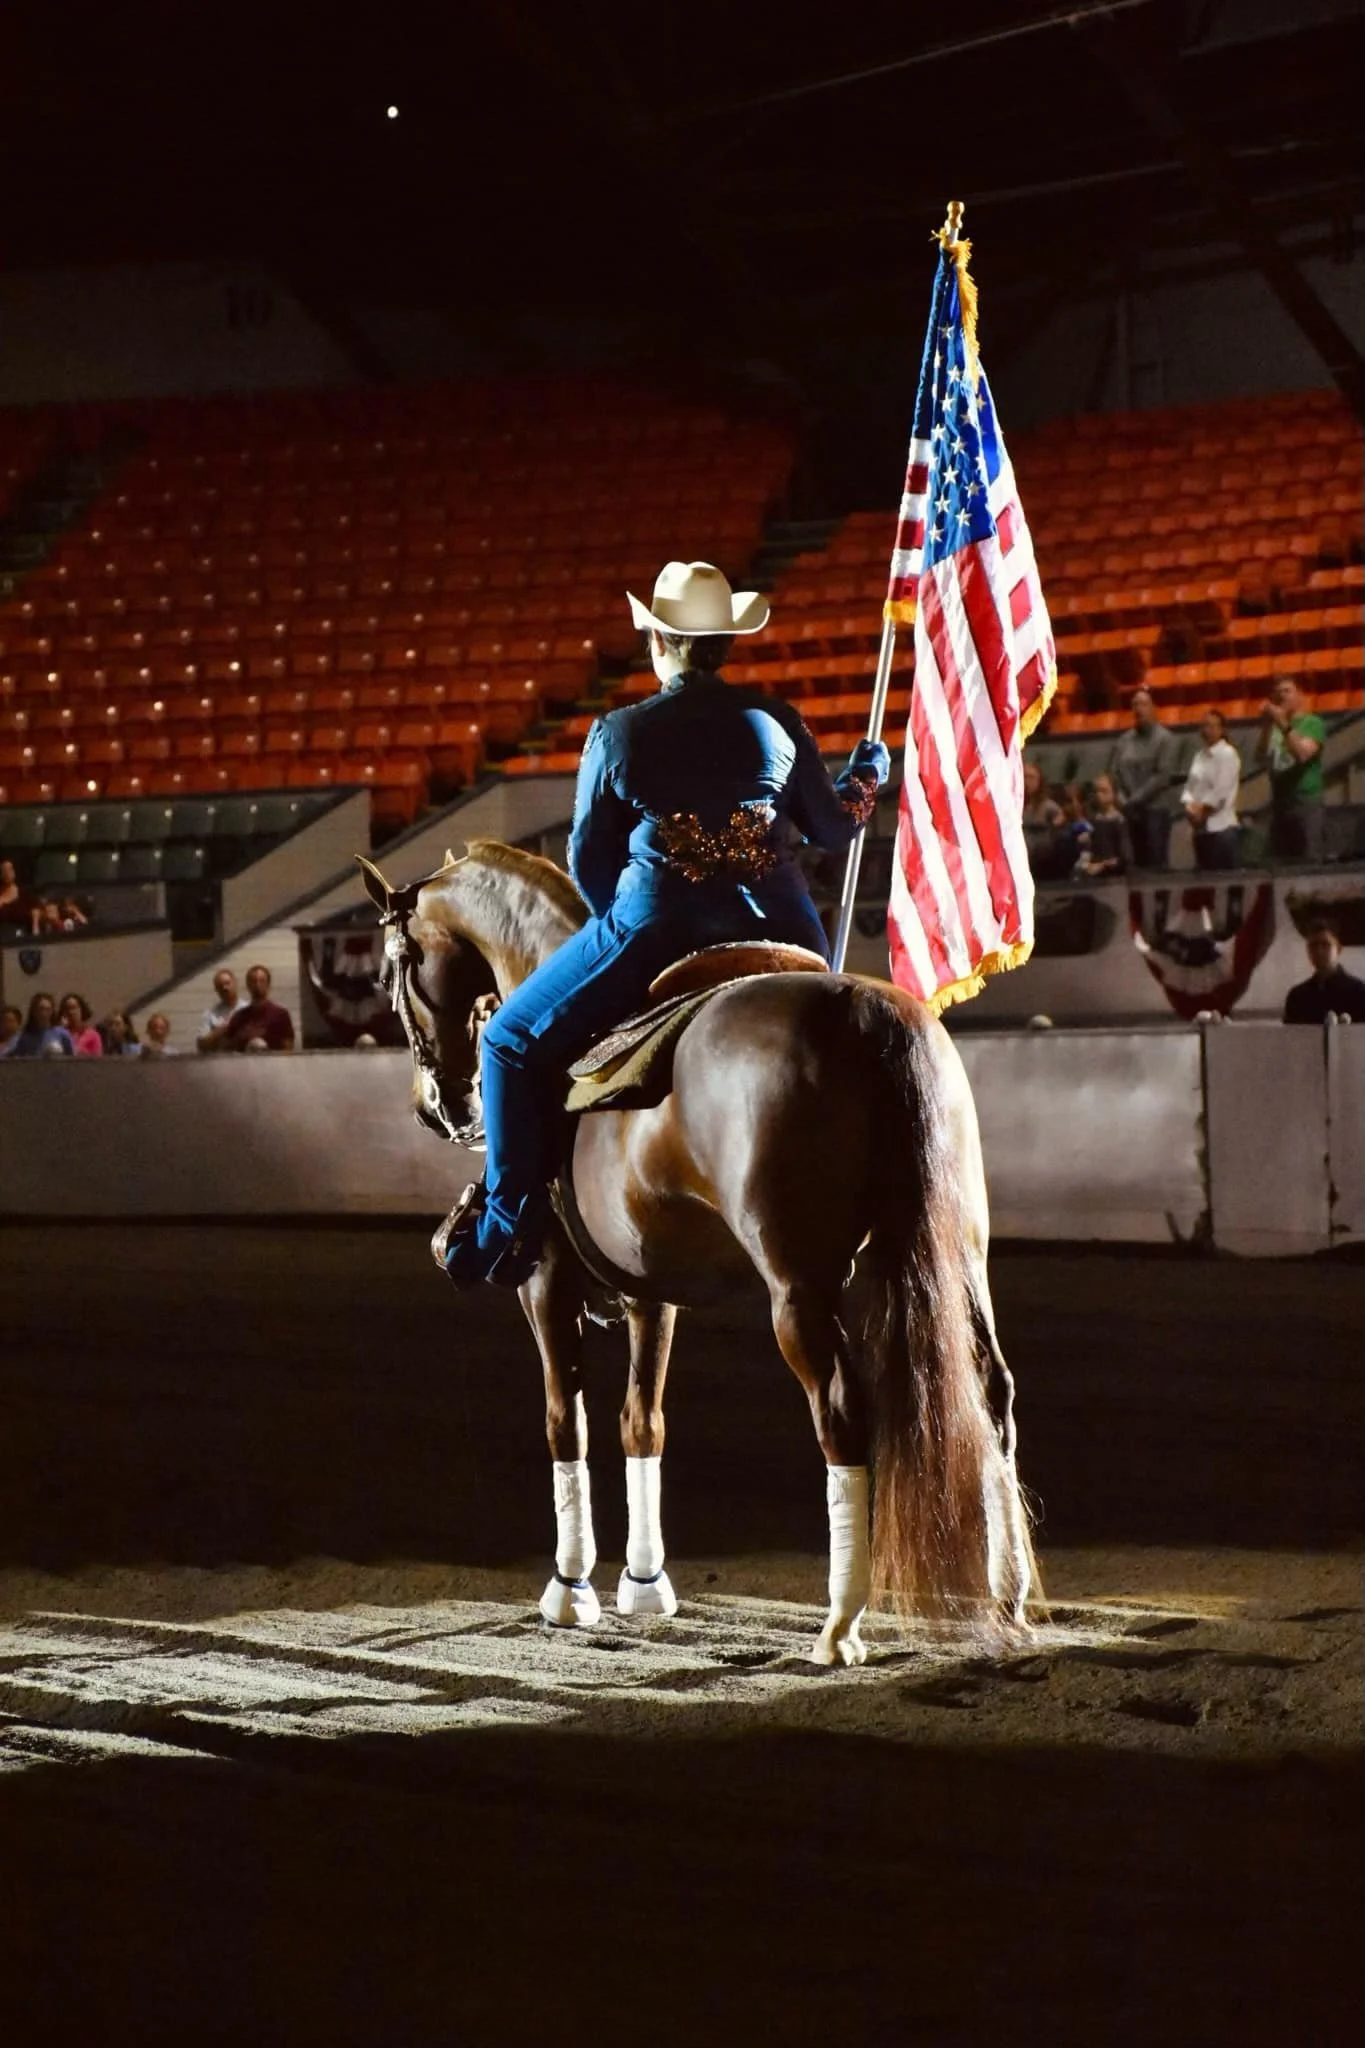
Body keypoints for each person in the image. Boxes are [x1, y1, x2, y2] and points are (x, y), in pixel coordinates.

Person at [440, 559, 892, 1288]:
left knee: (508, 1040)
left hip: (659, 930)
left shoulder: (620, 731)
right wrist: (866, 772)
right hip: (787, 933)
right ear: (724, 644)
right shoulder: (775, 720)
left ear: (659, 640)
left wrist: (611, 933)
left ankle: (502, 1231)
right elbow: (834, 828)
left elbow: (589, 858)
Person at [1257, 676, 1326, 863]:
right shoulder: (1274, 728)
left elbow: (1302, 754)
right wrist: (1266, 726)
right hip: (1280, 802)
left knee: (1309, 859)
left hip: (1305, 801)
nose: (1281, 696)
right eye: (1277, 693)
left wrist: (1283, 723)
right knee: (1281, 862)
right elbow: (1260, 758)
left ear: (1299, 696)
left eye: (1287, 691)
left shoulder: (1313, 723)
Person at [1110, 687, 1176, 869]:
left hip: (1155, 810)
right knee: (1135, 864)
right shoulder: (1123, 741)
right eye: (1135, 705)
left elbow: (1162, 776)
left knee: (1155, 863)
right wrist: (1123, 800)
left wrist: (1134, 799)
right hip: (1130, 812)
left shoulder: (1165, 739)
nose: (1139, 709)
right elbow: (1116, 773)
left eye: (1144, 704)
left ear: (1154, 708)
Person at [1180, 708, 1242, 870]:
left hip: (1221, 829)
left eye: (1213, 726)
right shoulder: (1199, 756)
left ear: (1222, 730)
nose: (1209, 730)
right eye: (1205, 726)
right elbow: (1190, 786)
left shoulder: (1228, 754)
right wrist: (1189, 807)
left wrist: (1202, 809)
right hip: (1201, 831)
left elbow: (1221, 790)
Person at [1282, 922, 1365, 1024]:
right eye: (1313, 946)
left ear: (1338, 950)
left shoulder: (1358, 992)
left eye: (1325, 945)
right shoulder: (1297, 997)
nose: (1319, 951)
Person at [219, 964, 295, 1051]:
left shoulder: (281, 1015)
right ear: (248, 985)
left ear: (268, 984)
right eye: (253, 981)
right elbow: (228, 1048)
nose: (257, 985)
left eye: (262, 981)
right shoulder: (238, 1017)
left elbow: (288, 1048)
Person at [1073, 774, 1132, 878]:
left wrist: (1103, 865)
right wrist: (1085, 864)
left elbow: (1125, 857)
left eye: (1104, 791)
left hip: (1113, 877)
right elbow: (1087, 847)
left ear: (1114, 793)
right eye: (1097, 791)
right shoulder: (1093, 821)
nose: (1099, 795)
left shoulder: (1119, 821)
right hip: (1092, 875)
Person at [1021, 761, 1065, 879]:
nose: (1027, 781)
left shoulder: (1047, 805)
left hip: (1041, 853)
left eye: (1031, 777)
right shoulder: (1015, 805)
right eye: (1025, 776)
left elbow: (1060, 819)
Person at [10, 992, 74, 1058]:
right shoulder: (24, 1037)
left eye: (48, 1009)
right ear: (34, 1011)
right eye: (41, 1009)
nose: (44, 1014)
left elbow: (72, 1059)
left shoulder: (62, 1034)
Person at [197, 967, 247, 1052]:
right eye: (220, 986)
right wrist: (220, 1031)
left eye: (227, 983)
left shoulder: (248, 1009)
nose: (225, 988)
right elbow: (201, 1044)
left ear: (235, 983)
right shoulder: (210, 1014)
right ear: (216, 990)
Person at [57, 992, 104, 1057]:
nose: (70, 1012)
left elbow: (97, 1059)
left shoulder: (92, 1035)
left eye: (73, 1008)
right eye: (67, 1009)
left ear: (81, 1010)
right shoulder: (59, 1034)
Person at [0, 859, 26, 930]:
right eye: (4, 870)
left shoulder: (24, 892)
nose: (7, 873)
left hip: (20, 933)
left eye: (10, 869)